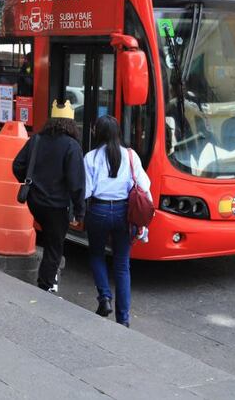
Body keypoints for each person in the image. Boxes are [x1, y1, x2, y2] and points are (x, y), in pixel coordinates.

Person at [84, 115, 152, 327]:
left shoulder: (91, 158)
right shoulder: (131, 156)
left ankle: (104, 297)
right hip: (125, 213)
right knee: (122, 265)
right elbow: (144, 185)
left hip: (99, 210)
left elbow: (86, 191)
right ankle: (123, 319)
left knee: (96, 255)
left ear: (98, 133)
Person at [11, 100, 85, 293]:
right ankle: (45, 285)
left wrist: (32, 183)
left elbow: (17, 165)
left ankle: (48, 281)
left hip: (35, 201)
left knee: (50, 239)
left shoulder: (36, 139)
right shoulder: (72, 146)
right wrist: (80, 211)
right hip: (58, 205)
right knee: (54, 246)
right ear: (71, 122)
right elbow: (76, 183)